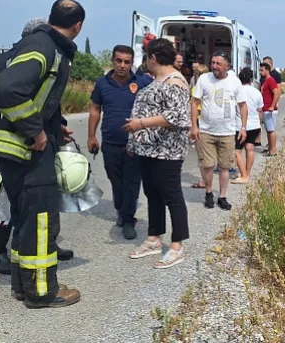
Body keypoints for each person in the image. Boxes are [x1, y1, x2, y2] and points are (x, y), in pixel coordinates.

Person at [0, 0, 85, 308]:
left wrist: (56, 127)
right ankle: (42, 291)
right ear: (78, 26)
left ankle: (22, 286)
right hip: (28, 151)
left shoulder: (40, 44)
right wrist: (37, 130)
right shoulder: (46, 47)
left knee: (26, 220)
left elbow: (37, 96)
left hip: (18, 152)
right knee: (41, 222)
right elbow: (7, 89)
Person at [0, 17, 74, 275]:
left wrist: (57, 127)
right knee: (4, 198)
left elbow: (47, 101)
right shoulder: (5, 62)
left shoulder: (44, 59)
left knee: (41, 201)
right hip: (7, 147)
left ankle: (46, 243)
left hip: (38, 146)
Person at [124, 38, 191, 269]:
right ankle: (154, 238)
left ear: (153, 57)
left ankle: (177, 246)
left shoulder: (175, 81)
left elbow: (178, 118)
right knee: (152, 194)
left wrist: (140, 123)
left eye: (146, 58)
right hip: (149, 148)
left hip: (167, 150)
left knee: (171, 195)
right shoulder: (158, 79)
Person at [88, 45, 153, 240]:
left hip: (135, 144)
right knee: (116, 181)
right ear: (113, 61)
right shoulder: (102, 84)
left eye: (127, 62)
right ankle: (121, 209)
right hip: (110, 142)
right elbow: (95, 110)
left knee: (131, 182)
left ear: (132, 63)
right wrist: (91, 136)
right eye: (119, 61)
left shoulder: (141, 83)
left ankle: (127, 219)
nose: (122, 65)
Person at [190, 51, 248, 210]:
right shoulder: (204, 79)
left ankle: (222, 196)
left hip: (227, 132)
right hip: (206, 131)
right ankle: (209, 193)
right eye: (213, 63)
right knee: (207, 165)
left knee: (224, 166)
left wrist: (243, 127)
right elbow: (194, 103)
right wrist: (194, 126)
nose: (214, 66)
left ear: (227, 66)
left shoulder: (235, 82)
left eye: (218, 63)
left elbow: (243, 106)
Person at [231, 68, 263, 184]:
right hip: (254, 125)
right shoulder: (256, 92)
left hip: (240, 125)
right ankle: (247, 173)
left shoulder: (237, 91)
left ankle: (244, 175)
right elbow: (260, 109)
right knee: (250, 148)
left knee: (237, 151)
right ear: (251, 79)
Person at [190, 61, 209, 189]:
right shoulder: (212, 87)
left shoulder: (195, 89)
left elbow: (193, 108)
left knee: (201, 155)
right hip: (210, 122)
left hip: (199, 121)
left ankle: (204, 181)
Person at [260, 62, 281, 157]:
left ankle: (273, 150)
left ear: (267, 70)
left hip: (270, 110)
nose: (260, 72)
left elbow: (276, 93)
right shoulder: (265, 81)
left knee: (271, 130)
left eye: (262, 70)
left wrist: (272, 106)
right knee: (268, 130)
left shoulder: (271, 80)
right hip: (266, 109)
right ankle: (270, 149)